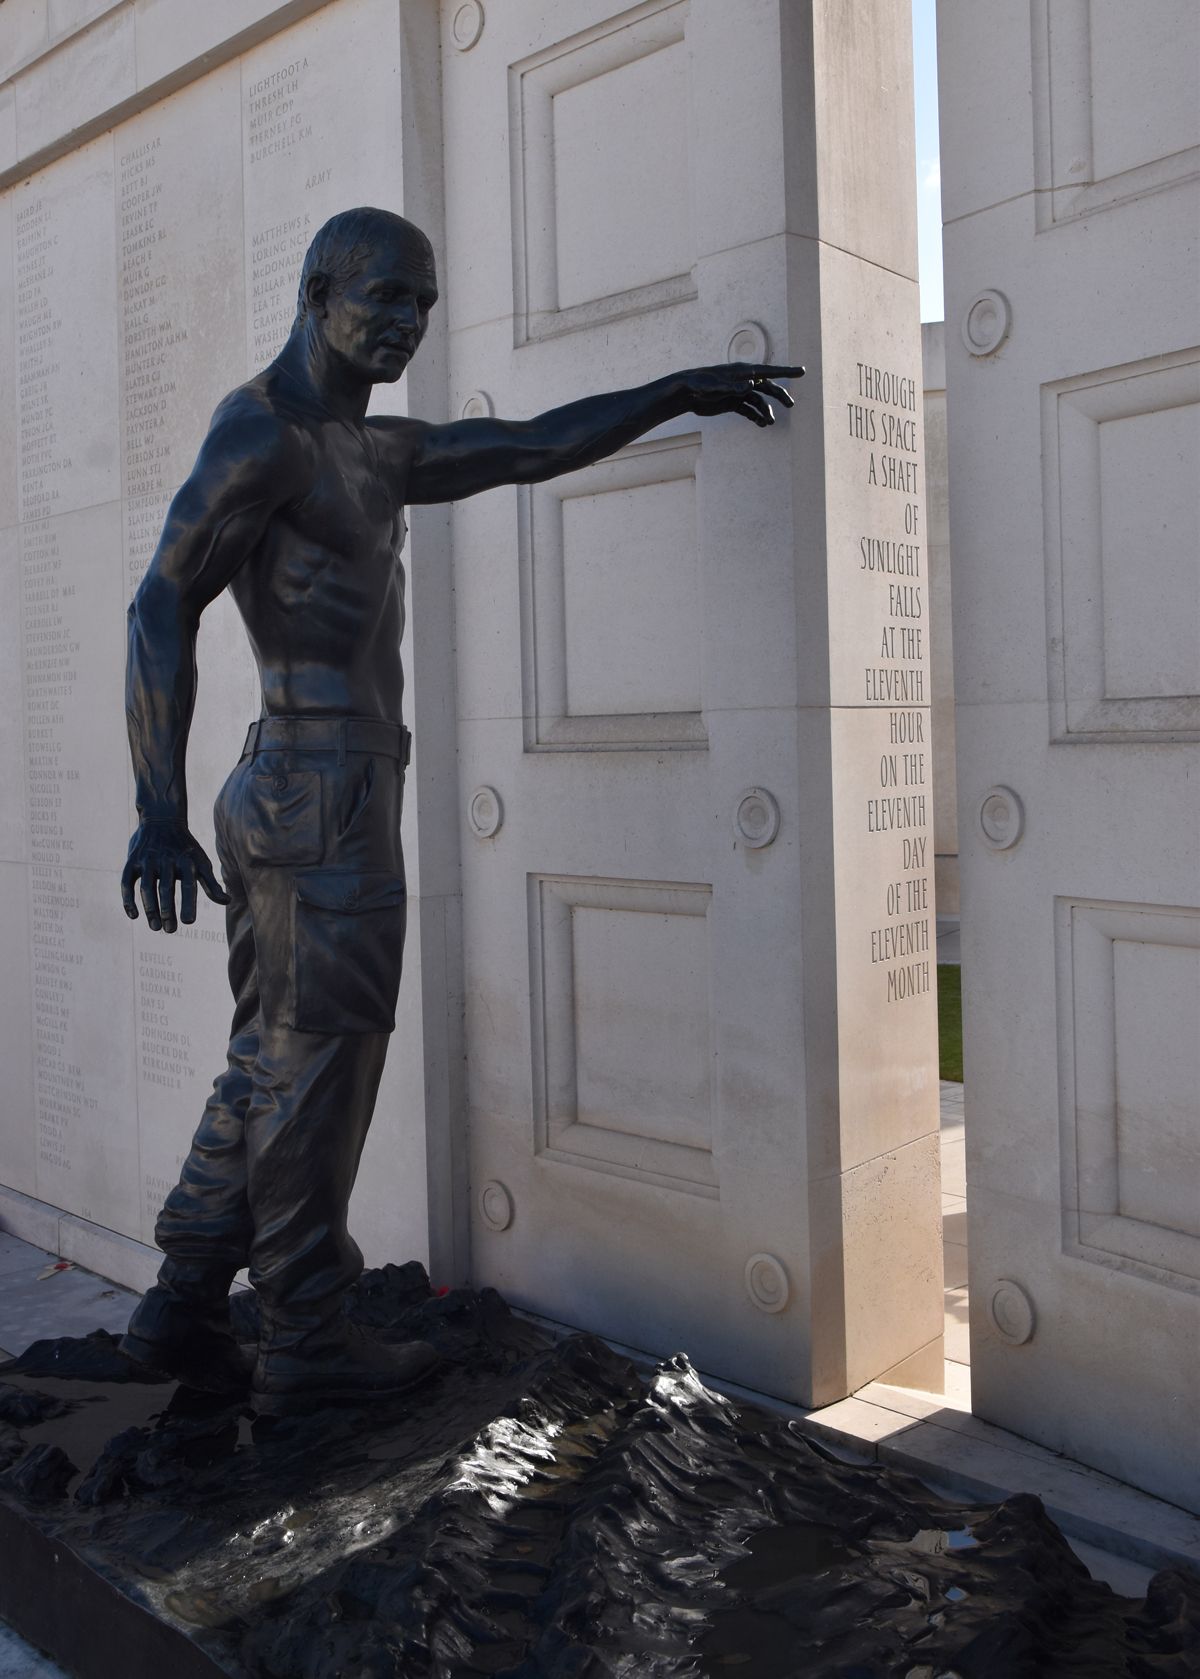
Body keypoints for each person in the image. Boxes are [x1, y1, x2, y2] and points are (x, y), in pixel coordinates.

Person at [119, 206, 801, 1415]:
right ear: (317, 290)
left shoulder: (371, 450)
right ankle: (305, 1332)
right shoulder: (265, 433)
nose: (407, 322)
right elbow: (158, 602)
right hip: (315, 790)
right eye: (385, 297)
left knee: (274, 1056)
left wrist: (676, 390)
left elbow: (528, 445)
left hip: (323, 787)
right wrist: (155, 812)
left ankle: (181, 1301)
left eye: (423, 304)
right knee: (320, 1069)